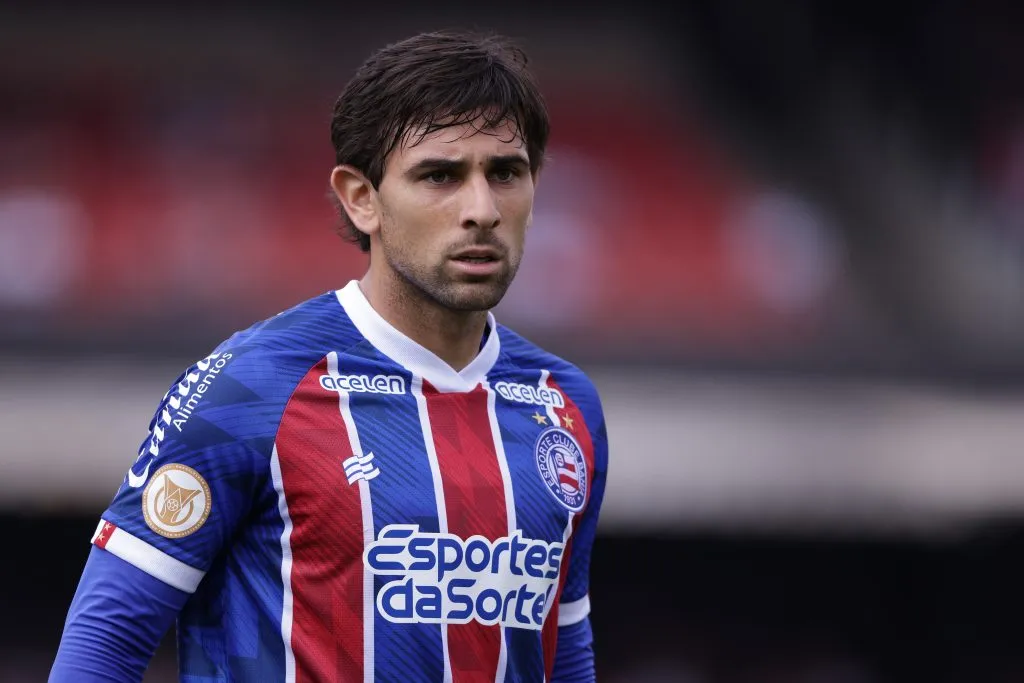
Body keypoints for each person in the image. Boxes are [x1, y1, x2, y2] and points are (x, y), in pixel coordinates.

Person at [50, 29, 609, 683]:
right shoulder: (251, 388)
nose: (481, 209)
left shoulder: (565, 406)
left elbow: (564, 653)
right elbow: (103, 644)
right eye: (440, 175)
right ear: (360, 197)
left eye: (505, 173)